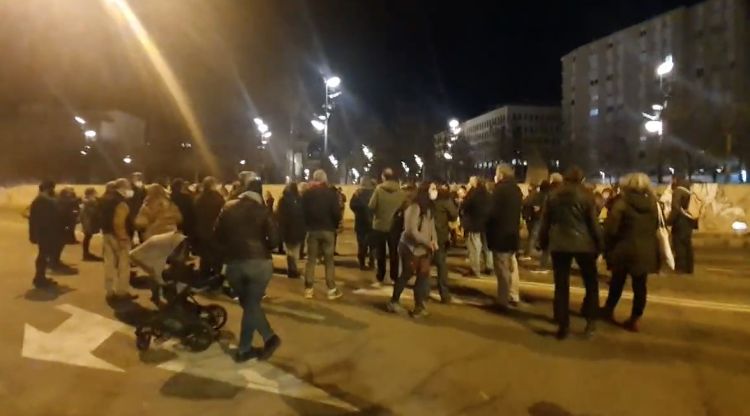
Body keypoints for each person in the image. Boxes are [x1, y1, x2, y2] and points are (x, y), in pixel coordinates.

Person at [213, 179, 281, 362]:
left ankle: (246, 349)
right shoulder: (263, 210)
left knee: (249, 305)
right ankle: (268, 338)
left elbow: (217, 235)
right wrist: (263, 247)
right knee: (252, 305)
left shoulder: (227, 207)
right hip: (260, 264)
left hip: (234, 263)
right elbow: (275, 240)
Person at [539, 166, 602, 340]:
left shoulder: (553, 195)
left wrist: (543, 242)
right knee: (591, 283)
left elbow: (545, 221)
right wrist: (600, 244)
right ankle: (590, 321)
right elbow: (593, 224)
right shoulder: (587, 195)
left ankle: (563, 325)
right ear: (581, 179)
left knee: (561, 285)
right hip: (584, 243)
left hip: (559, 243)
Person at [601, 173, 659, 332]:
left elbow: (612, 228)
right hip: (645, 250)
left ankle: (608, 309)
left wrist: (607, 245)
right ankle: (635, 318)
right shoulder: (653, 204)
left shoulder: (622, 203)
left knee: (617, 282)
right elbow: (655, 226)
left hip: (624, 248)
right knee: (640, 286)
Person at [387, 182, 438, 318]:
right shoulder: (414, 207)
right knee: (406, 275)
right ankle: (394, 301)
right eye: (432, 189)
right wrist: (428, 242)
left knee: (422, 276)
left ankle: (419, 307)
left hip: (424, 249)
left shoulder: (429, 208)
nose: (435, 191)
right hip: (410, 248)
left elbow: (432, 228)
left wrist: (435, 242)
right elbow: (411, 231)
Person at [301, 170, 343, 300]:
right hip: (328, 230)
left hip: (313, 230)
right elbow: (336, 212)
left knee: (311, 260)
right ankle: (331, 289)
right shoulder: (331, 194)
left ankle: (308, 289)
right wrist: (336, 225)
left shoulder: (307, 194)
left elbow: (303, 212)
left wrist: (307, 224)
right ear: (325, 180)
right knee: (329, 260)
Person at [486, 164, 523, 310]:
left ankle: (503, 300)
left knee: (502, 269)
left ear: (501, 174)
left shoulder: (499, 190)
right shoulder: (516, 190)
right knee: (512, 266)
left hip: (500, 234)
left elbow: (492, 212)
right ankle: (514, 295)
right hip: (512, 234)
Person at [100, 178, 138, 301]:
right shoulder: (121, 202)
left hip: (106, 235)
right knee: (123, 266)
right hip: (119, 237)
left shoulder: (105, 199)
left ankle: (109, 291)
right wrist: (123, 238)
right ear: (122, 187)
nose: (130, 189)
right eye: (128, 186)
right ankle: (122, 292)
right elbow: (119, 222)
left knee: (109, 264)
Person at [368, 168, 406, 286]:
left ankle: (381, 274)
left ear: (383, 177)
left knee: (381, 252)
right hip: (395, 226)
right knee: (394, 252)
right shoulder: (401, 192)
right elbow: (405, 207)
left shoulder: (379, 190)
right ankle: (394, 276)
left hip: (379, 225)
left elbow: (371, 206)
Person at [29, 181, 67, 288]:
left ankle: (40, 277)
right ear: (48, 188)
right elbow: (55, 214)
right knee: (43, 255)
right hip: (47, 233)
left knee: (43, 255)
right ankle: (39, 278)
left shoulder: (39, 199)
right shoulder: (45, 200)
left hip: (42, 232)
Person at [193, 177, 226, 280]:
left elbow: (195, 215)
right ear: (213, 185)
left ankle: (204, 276)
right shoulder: (219, 198)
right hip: (215, 231)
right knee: (216, 256)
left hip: (202, 231)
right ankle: (216, 277)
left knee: (205, 256)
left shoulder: (198, 198)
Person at [432, 181, 459, 303]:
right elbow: (454, 214)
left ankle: (422, 292)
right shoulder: (445, 200)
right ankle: (444, 294)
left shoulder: (427, 199)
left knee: (424, 264)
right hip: (440, 235)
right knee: (441, 265)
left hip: (426, 234)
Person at [462, 176, 493, 277]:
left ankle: (475, 269)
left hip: (474, 223)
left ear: (475, 183)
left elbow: (465, 206)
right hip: (486, 223)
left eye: (470, 182)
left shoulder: (474, 194)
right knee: (486, 246)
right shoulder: (487, 194)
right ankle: (489, 266)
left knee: (474, 247)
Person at [277, 182, 306, 279]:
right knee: (295, 252)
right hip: (298, 230)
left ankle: (291, 270)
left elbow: (280, 217)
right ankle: (293, 270)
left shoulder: (283, 200)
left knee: (289, 251)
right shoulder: (300, 199)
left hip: (287, 230)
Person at [668, 177, 696, 274]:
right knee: (687, 245)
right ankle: (689, 268)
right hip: (689, 222)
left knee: (679, 245)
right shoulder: (689, 192)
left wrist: (668, 221)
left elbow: (675, 208)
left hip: (680, 222)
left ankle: (681, 268)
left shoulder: (678, 192)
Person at [350, 177, 376, 270]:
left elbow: (352, 205)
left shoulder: (357, 193)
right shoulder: (375, 193)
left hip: (360, 223)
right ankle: (372, 262)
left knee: (361, 244)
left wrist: (358, 212)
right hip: (373, 222)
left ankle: (362, 264)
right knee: (373, 244)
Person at [80, 187, 103, 262]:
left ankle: (86, 253)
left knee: (87, 237)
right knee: (87, 237)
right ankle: (86, 254)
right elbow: (93, 212)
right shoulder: (90, 202)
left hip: (86, 222)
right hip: (89, 222)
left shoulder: (86, 201)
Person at [129, 172, 147, 243]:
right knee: (131, 231)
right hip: (132, 213)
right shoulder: (131, 189)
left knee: (141, 232)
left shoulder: (143, 189)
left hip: (140, 212)